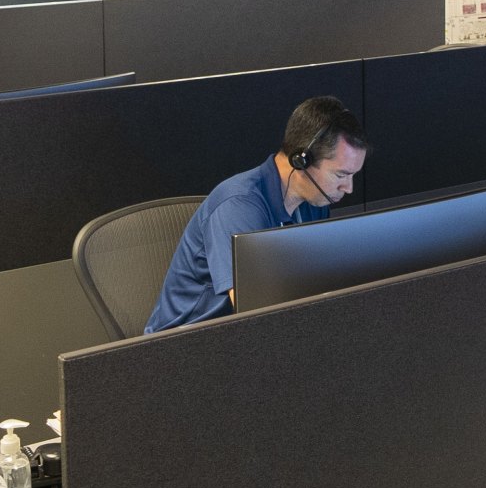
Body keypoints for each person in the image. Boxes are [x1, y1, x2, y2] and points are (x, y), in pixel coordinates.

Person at [145, 96, 368, 333]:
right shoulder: (239, 205)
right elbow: (254, 312)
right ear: (301, 160)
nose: (349, 188)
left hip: (243, 337)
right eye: (341, 175)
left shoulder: (315, 199)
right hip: (185, 344)